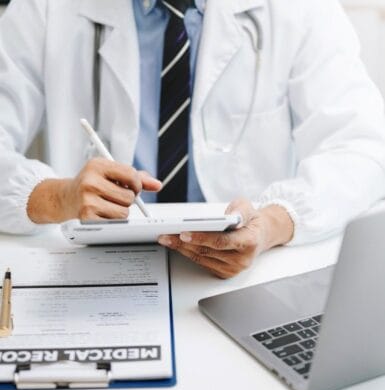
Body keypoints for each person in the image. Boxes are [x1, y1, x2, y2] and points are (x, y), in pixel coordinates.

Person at [0, 0, 384, 279]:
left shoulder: (299, 9)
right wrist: (57, 197)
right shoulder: (45, 8)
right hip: (88, 271)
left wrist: (272, 223)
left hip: (245, 275)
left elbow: (364, 148)